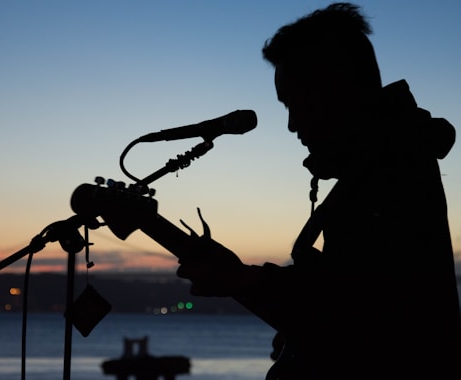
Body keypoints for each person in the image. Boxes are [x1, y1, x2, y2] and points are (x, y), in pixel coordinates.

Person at [176, 3, 461, 379]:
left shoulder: (391, 169)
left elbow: (358, 316)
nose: (292, 124)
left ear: (334, 88)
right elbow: (346, 297)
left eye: (294, 103)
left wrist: (245, 279)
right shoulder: (389, 160)